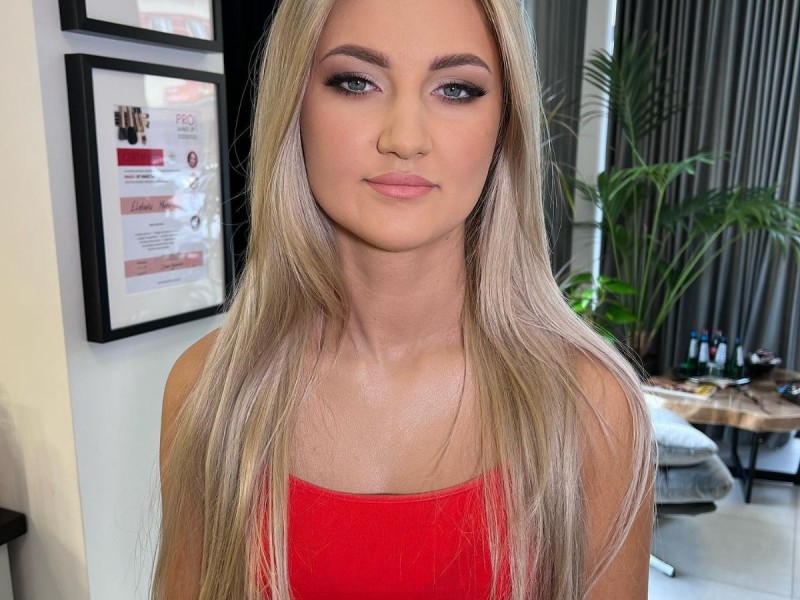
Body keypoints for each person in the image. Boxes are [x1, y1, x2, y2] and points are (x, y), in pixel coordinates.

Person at [153, 0, 655, 598]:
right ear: (294, 104)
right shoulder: (210, 392)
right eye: (356, 82)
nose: (405, 139)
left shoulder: (593, 408)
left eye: (457, 90)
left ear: (504, 125)